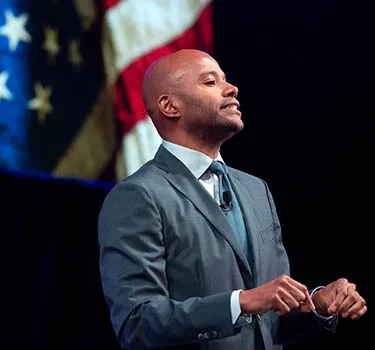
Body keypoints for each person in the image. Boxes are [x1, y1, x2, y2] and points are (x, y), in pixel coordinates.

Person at [98, 49, 367, 350]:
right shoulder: (138, 196)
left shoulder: (256, 190)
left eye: (225, 79)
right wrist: (240, 302)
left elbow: (269, 320)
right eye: (211, 82)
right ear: (170, 106)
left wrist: (318, 303)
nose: (232, 88)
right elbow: (137, 324)